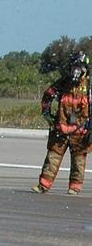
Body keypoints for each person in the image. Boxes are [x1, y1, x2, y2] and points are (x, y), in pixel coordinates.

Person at [33, 52, 91, 194]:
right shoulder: (63, 83)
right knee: (52, 157)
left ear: (85, 69)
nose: (75, 71)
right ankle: (43, 185)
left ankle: (74, 187)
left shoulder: (89, 87)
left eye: (79, 68)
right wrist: (48, 116)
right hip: (60, 129)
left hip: (81, 132)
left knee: (79, 161)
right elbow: (47, 96)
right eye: (73, 68)